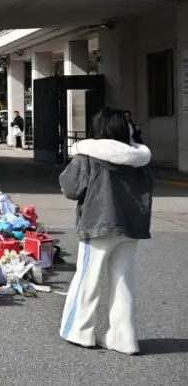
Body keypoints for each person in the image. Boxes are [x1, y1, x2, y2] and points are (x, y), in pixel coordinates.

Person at [58, 107, 153, 355]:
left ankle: (80, 331)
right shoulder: (139, 159)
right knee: (124, 281)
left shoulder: (88, 155)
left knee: (88, 278)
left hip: (98, 224)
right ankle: (124, 339)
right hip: (131, 226)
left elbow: (71, 188)